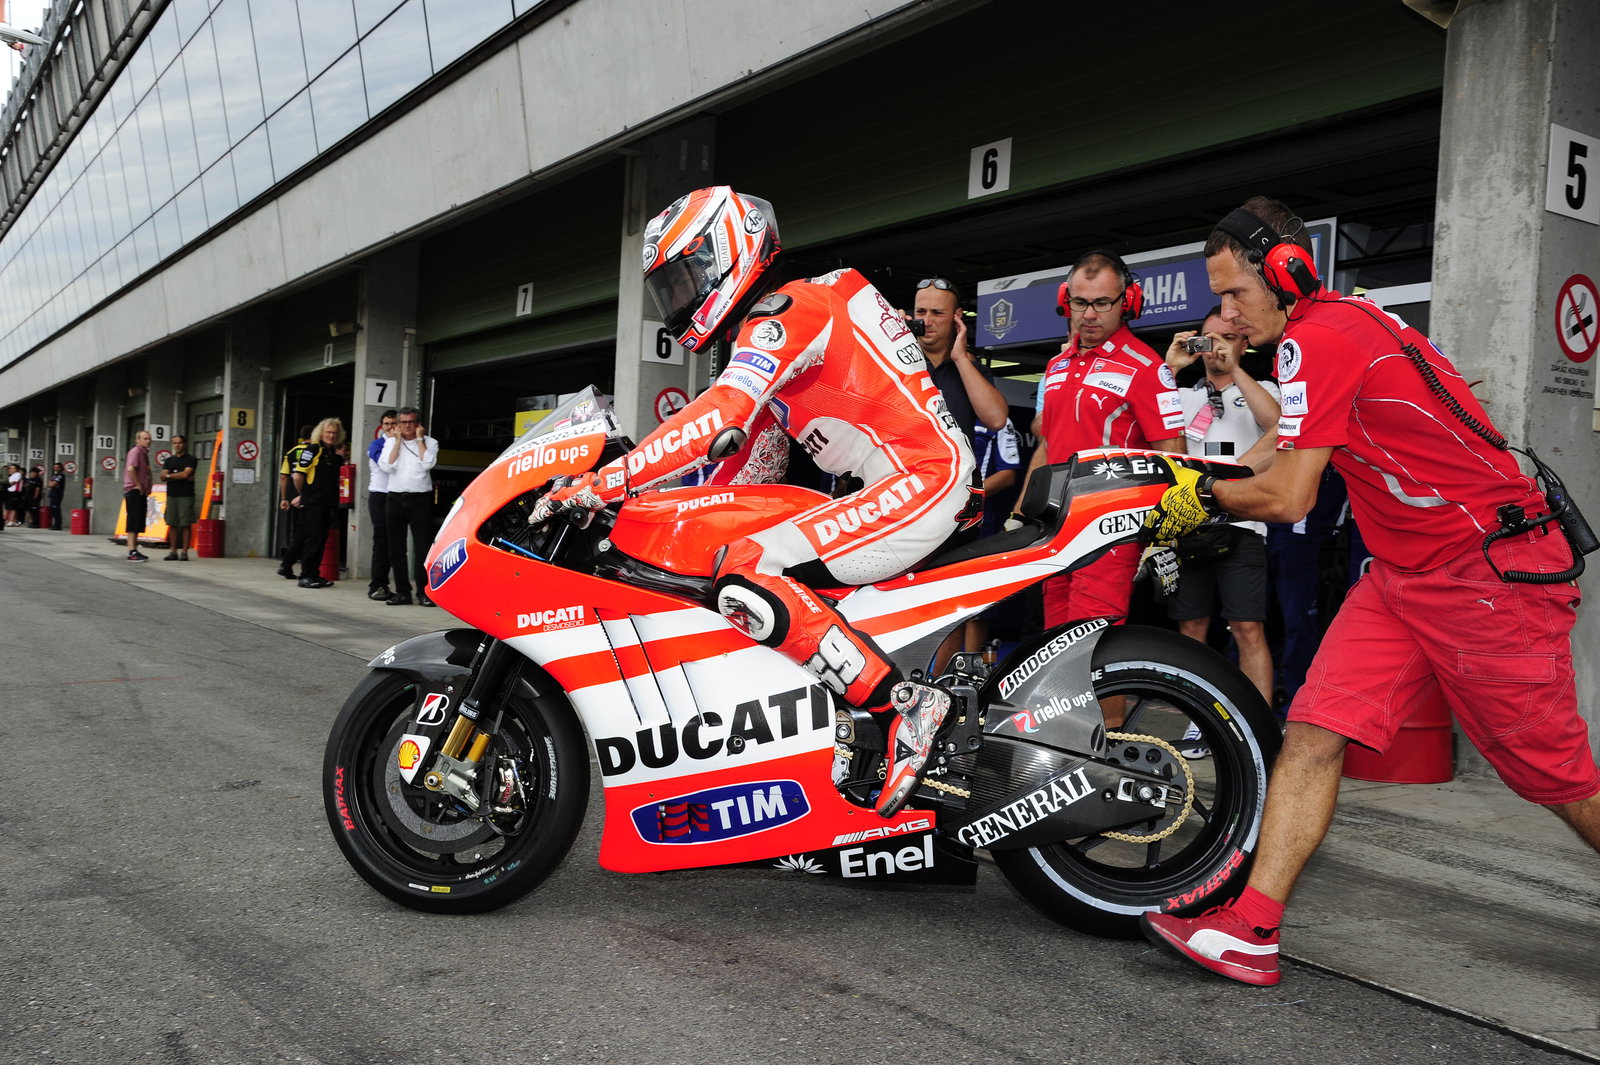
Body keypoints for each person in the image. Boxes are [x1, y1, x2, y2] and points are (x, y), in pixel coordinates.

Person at [1139, 196, 1600, 987]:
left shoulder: (1324, 336)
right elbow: (1274, 448)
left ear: (1285, 272)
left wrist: (1200, 499)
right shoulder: (1327, 331)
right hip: (1404, 576)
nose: (1224, 313)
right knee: (1315, 728)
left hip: (1486, 577)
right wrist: (1184, 480)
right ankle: (1252, 928)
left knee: (1554, 778)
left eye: (1234, 293)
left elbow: (1287, 497)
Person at [535, 186, 979, 818]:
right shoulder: (788, 322)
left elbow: (720, 412)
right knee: (733, 558)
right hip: (898, 482)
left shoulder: (787, 309)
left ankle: (902, 709)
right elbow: (748, 462)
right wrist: (657, 510)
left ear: (728, 253)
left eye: (687, 276)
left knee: (748, 568)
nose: (679, 301)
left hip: (921, 479)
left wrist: (601, 484)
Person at [1017, 251, 1184, 725]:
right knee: (1055, 646)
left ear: (1127, 302)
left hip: (1113, 530)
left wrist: (1162, 536)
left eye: (1102, 303)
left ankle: (1109, 753)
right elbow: (1048, 445)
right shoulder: (1055, 366)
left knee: (1096, 648)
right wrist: (1020, 514)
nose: (1089, 314)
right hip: (1055, 531)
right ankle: (1061, 745)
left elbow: (1174, 455)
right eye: (1079, 302)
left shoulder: (1150, 369)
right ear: (1064, 300)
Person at [1161, 308, 1280, 721]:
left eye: (1227, 338)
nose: (1215, 347)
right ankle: (1200, 722)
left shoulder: (1262, 388)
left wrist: (1237, 371)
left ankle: (1258, 724)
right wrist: (1167, 369)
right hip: (1189, 522)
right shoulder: (1184, 394)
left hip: (1244, 523)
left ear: (1244, 343)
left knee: (1248, 628)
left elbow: (1279, 427)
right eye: (1207, 338)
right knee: (1191, 630)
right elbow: (1162, 445)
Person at [911, 278, 1008, 441]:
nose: (927, 321)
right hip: (903, 465)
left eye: (937, 313)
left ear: (957, 316)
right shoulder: (895, 362)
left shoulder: (969, 369)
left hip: (956, 466)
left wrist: (961, 359)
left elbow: (997, 420)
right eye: (921, 311)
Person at [378, 407, 438, 607]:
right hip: (395, 498)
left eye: (411, 422)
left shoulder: (430, 442)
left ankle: (424, 592)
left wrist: (420, 440)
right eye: (402, 422)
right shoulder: (389, 442)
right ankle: (403, 592)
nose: (406, 426)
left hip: (419, 499)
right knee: (396, 548)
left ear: (418, 423)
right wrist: (396, 442)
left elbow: (427, 463)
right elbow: (386, 466)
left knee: (422, 548)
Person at [287, 418, 345, 588]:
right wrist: (304, 495)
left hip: (328, 503)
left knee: (321, 539)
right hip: (313, 503)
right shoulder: (313, 449)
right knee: (313, 539)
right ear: (321, 433)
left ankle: (314, 574)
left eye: (334, 433)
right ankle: (305, 576)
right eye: (328, 432)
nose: (331, 435)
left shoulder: (332, 453)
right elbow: (298, 475)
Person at [366, 409, 397, 600]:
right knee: (381, 543)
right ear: (382, 426)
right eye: (387, 424)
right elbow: (387, 465)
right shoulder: (377, 445)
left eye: (394, 423)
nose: (391, 427)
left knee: (395, 544)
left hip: (397, 497)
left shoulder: (404, 444)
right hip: (379, 496)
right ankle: (377, 585)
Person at [276, 425, 313, 579]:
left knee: (297, 532)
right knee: (306, 534)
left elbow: (284, 476)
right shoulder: (313, 452)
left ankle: (288, 565)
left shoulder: (291, 453)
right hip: (307, 497)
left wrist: (284, 498)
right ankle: (289, 565)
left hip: (292, 498)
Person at [160, 434, 199, 561]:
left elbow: (186, 474)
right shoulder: (168, 461)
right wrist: (178, 475)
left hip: (186, 495)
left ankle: (184, 552)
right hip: (171, 495)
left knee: (185, 524)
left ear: (184, 444)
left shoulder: (191, 459)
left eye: (179, 443)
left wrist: (170, 476)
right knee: (172, 523)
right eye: (175, 443)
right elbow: (162, 476)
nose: (177, 445)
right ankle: (173, 551)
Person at [122, 430, 153, 561]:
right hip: (134, 491)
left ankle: (135, 549)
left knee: (138, 521)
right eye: (145, 439)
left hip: (141, 492)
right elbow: (131, 469)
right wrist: (138, 484)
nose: (148, 441)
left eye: (149, 439)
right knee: (134, 521)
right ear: (138, 440)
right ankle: (131, 551)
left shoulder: (144, 453)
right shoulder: (136, 452)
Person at [47, 462, 65, 530]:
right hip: (52, 493)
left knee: (56, 509)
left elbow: (52, 484)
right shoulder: (54, 475)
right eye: (55, 467)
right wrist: (51, 483)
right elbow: (49, 484)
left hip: (57, 494)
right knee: (53, 509)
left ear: (60, 468)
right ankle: (54, 524)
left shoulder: (61, 475)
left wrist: (51, 483)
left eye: (58, 467)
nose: (56, 468)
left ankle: (58, 525)